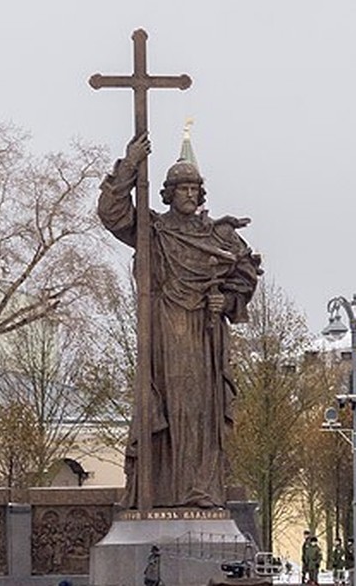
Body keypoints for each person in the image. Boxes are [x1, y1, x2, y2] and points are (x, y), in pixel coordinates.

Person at [99, 132, 261, 509]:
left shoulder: (216, 234)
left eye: (194, 187)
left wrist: (228, 299)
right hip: (163, 333)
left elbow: (245, 275)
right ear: (168, 193)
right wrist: (129, 167)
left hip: (204, 335)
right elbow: (112, 214)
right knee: (167, 412)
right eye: (181, 187)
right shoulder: (153, 231)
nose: (189, 193)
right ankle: (161, 491)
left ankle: (200, 492)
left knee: (201, 413)